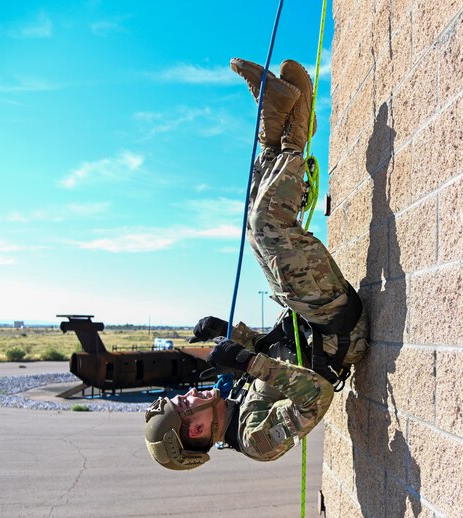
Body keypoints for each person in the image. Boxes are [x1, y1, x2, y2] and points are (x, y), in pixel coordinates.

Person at [144, 58, 368, 470]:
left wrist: (230, 334)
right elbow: (317, 396)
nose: (191, 394)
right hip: (335, 327)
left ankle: (277, 121)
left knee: (254, 231)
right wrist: (250, 363)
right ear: (195, 432)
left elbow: (272, 352)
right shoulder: (257, 439)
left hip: (307, 314)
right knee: (268, 227)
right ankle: (293, 132)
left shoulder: (235, 397)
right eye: (185, 404)